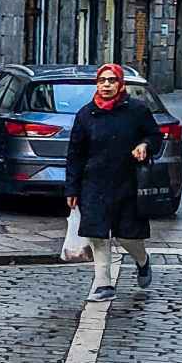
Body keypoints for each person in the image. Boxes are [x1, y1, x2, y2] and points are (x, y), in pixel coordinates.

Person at [65, 64, 163, 302]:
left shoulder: (136, 111)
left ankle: (142, 260)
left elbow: (154, 136)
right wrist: (72, 188)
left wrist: (144, 146)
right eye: (102, 81)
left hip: (128, 183)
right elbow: (75, 153)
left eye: (111, 80)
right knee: (98, 235)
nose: (106, 85)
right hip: (94, 184)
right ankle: (103, 284)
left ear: (120, 84)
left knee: (128, 236)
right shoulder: (86, 114)